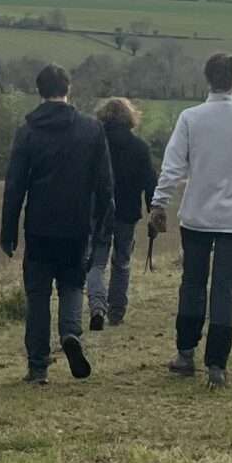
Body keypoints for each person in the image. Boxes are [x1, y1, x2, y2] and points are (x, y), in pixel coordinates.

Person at [148, 53, 232, 386]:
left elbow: (172, 167)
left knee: (192, 284)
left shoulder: (191, 118)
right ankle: (217, 366)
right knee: (224, 289)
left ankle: (185, 354)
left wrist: (159, 202)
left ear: (207, 78)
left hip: (198, 217)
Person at [0, 63, 113, 383]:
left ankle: (37, 367)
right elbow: (105, 184)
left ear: (40, 91)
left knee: (37, 296)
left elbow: (15, 187)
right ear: (68, 89)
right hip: (77, 225)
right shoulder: (91, 130)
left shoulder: (28, 132)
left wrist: (8, 232)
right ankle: (70, 333)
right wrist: (104, 223)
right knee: (72, 284)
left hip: (39, 226)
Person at [88, 97, 155, 331]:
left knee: (96, 262)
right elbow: (150, 182)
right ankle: (116, 312)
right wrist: (153, 210)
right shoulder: (139, 147)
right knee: (122, 262)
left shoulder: (93, 144)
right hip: (127, 212)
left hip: (98, 212)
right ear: (130, 117)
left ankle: (97, 306)